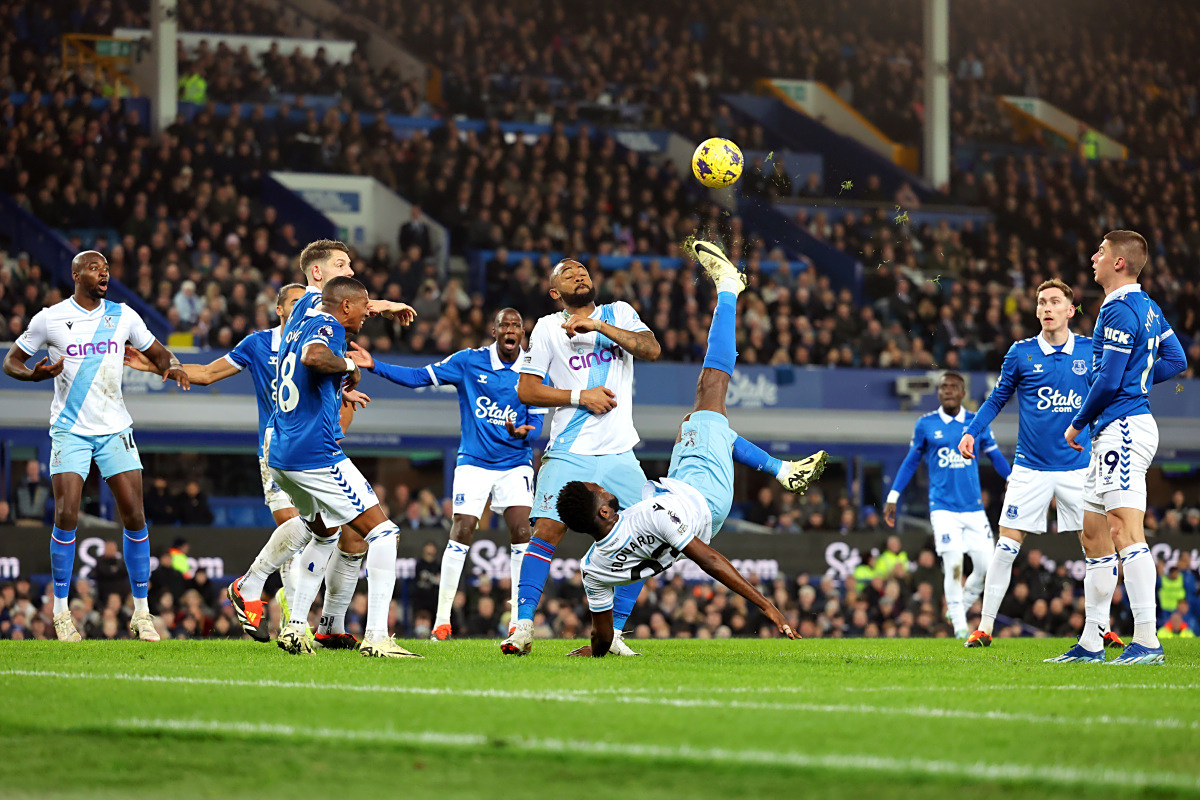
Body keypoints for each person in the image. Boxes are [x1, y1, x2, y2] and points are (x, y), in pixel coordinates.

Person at [554, 239, 824, 656]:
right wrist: (769, 608)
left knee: (695, 425)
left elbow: (600, 637)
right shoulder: (649, 516)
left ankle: (783, 470)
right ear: (604, 510)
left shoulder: (593, 568)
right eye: (597, 490)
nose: (602, 486)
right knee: (710, 389)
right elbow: (711, 562)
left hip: (680, 491)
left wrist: (596, 649)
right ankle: (730, 289)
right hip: (701, 497)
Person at [127, 282, 367, 648]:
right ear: (280, 310)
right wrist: (158, 366)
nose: (308, 305)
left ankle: (291, 615)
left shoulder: (317, 339)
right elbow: (207, 374)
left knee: (326, 531)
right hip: (277, 447)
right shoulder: (258, 344)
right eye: (297, 301)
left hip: (312, 448)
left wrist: (343, 388)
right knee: (299, 526)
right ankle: (281, 610)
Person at [2, 250, 189, 642]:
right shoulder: (49, 318)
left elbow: (158, 354)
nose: (103, 273)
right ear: (76, 275)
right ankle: (61, 612)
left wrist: (171, 365)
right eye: (94, 268)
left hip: (114, 428)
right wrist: (33, 376)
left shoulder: (123, 315)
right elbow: (11, 361)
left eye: (106, 268)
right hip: (70, 430)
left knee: (135, 517)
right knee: (67, 514)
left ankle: (141, 613)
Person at [349, 308, 545, 640]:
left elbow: (536, 425)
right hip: (474, 461)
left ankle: (517, 620)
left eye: (517, 325)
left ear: (522, 334)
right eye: (505, 324)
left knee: (522, 530)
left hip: (515, 462)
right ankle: (442, 620)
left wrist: (523, 432)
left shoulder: (534, 368)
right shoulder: (469, 361)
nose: (511, 329)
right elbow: (419, 377)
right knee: (463, 527)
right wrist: (374, 366)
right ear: (494, 331)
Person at [501, 256, 662, 657]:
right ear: (556, 292)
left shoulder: (619, 312)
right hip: (571, 450)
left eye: (583, 271)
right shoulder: (546, 328)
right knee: (547, 533)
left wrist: (599, 326)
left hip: (620, 450)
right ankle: (522, 627)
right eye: (568, 275)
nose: (580, 276)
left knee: (648, 537)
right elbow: (527, 390)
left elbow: (652, 349)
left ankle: (616, 634)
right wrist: (580, 397)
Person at [958, 279, 1123, 650]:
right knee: (1005, 547)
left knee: (1098, 548)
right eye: (1041, 302)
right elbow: (997, 397)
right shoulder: (1020, 353)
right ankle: (984, 628)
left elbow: (1107, 396)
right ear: (1036, 311)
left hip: (1079, 468)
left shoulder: (1089, 350)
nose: (1047, 308)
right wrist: (971, 431)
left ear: (1069, 309)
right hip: (1030, 468)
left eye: (1054, 302)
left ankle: (1102, 628)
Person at [1049, 230, 1186, 664]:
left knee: (1126, 532)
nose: (1093, 257)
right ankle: (1092, 642)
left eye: (1101, 251)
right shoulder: (1146, 307)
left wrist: (1077, 423)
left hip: (1123, 428)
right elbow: (1176, 359)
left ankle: (1147, 638)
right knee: (1094, 536)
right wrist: (1139, 378)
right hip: (1115, 427)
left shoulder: (1120, 309)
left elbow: (1109, 380)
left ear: (1120, 263)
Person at [266, 275, 419, 658]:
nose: (368, 312)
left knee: (324, 534)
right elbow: (314, 358)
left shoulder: (301, 313)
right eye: (364, 305)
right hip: (315, 453)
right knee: (383, 533)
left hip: (283, 454)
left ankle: (296, 626)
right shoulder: (329, 325)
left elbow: (304, 370)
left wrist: (338, 385)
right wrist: (349, 362)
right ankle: (378, 637)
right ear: (345, 306)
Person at [885, 372, 1012, 638]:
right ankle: (959, 624)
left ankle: (962, 604)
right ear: (938, 393)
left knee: (987, 567)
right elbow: (911, 461)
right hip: (943, 508)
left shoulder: (976, 423)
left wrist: (1011, 478)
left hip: (974, 508)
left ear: (963, 393)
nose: (947, 391)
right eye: (943, 387)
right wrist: (893, 495)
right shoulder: (926, 424)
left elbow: (995, 455)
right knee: (953, 563)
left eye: (953, 387)